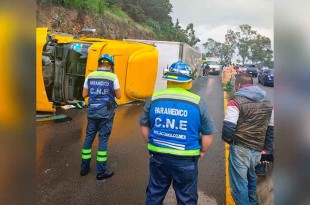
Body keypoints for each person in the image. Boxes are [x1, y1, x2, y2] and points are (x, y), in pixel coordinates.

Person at [139, 61, 217, 205]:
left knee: (155, 193)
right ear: (188, 82)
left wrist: (152, 142)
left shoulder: (154, 98)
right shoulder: (197, 102)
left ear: (169, 80)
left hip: (158, 157)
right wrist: (202, 151)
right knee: (186, 198)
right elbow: (208, 135)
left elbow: (144, 126)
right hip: (186, 159)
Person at [222, 73, 274, 205]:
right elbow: (271, 128)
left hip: (240, 148)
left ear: (238, 85)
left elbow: (228, 128)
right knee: (251, 177)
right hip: (257, 150)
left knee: (239, 185)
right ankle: (254, 201)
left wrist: (230, 141)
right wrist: (266, 149)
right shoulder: (268, 103)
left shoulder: (235, 101)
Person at [80, 53, 121, 180]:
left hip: (92, 111)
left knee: (88, 138)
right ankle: (100, 172)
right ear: (110, 66)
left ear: (99, 64)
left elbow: (84, 94)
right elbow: (118, 96)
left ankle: (84, 169)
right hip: (106, 113)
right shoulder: (113, 77)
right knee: (103, 139)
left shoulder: (90, 76)